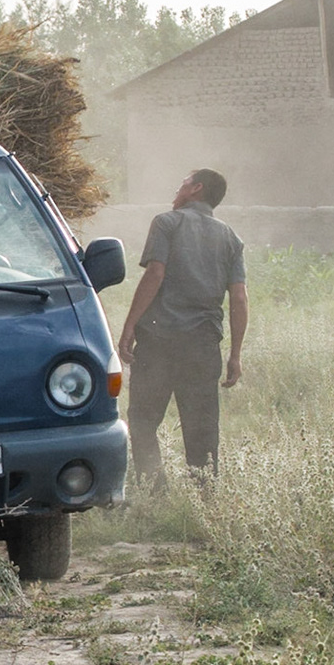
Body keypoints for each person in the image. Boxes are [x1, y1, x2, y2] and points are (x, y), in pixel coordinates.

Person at [117, 169, 246, 491]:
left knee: (144, 421)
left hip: (160, 340)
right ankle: (205, 497)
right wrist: (235, 355)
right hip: (203, 345)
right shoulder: (231, 237)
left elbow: (155, 275)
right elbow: (239, 297)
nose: (177, 189)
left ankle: (154, 490)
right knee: (201, 427)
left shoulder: (167, 223)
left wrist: (130, 325)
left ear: (196, 189)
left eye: (183, 184)